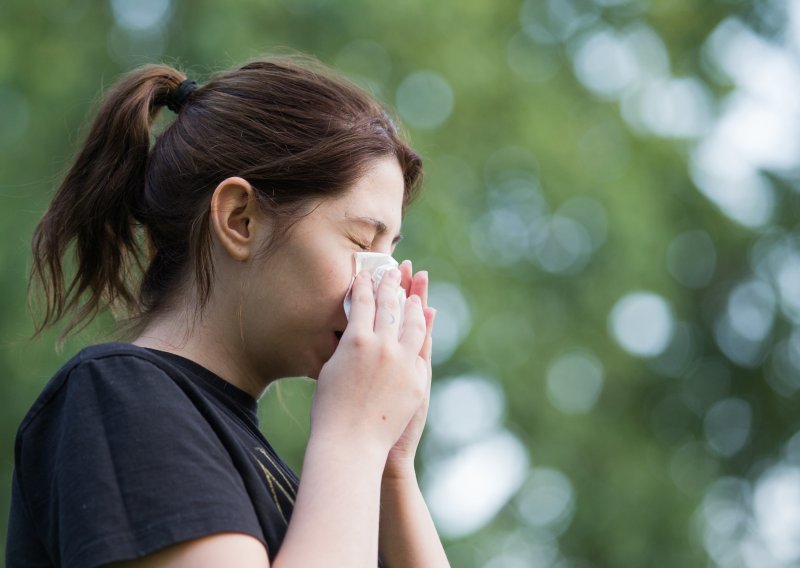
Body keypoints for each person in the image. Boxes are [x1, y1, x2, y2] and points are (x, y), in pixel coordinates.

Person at [6, 55, 450, 568]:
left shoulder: (306, 476)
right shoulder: (118, 395)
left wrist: (391, 462)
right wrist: (352, 438)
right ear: (240, 220)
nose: (383, 287)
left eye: (390, 255)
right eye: (360, 242)